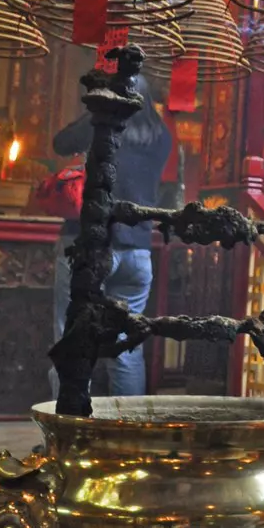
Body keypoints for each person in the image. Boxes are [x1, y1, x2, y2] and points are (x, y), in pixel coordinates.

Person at [50, 75, 172, 396]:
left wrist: (95, 106)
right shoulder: (161, 136)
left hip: (91, 247)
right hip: (138, 253)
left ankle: (69, 429)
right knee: (126, 346)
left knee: (73, 338)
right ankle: (127, 436)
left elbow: (61, 143)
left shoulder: (101, 122)